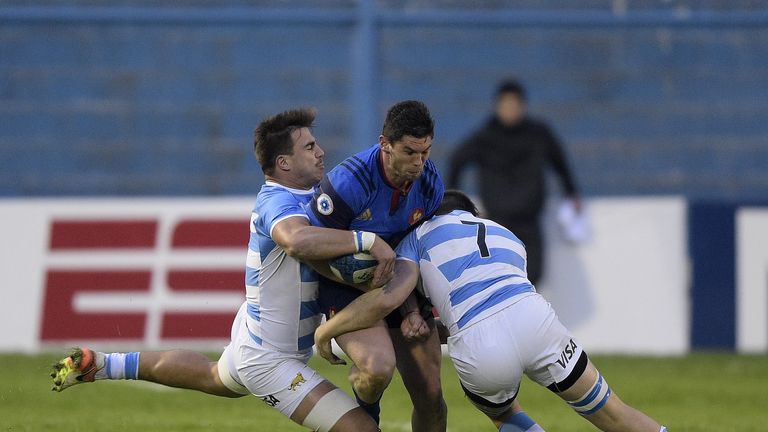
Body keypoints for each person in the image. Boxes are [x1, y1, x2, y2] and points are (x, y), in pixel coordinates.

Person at [50, 108, 401, 432]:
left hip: (255, 331)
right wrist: (365, 242)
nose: (321, 151)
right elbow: (294, 239)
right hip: (269, 358)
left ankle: (104, 364)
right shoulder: (277, 201)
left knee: (211, 376)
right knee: (360, 429)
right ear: (284, 163)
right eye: (309, 147)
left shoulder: (311, 196)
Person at [314, 190, 669, 432]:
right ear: (472, 214)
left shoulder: (417, 235)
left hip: (479, 343)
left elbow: (393, 298)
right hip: (535, 320)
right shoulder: (506, 234)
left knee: (504, 414)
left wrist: (332, 329)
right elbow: (496, 299)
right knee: (614, 413)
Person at [307, 100, 447, 431]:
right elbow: (309, 248)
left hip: (399, 282)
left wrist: (411, 307)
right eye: (410, 152)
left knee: (431, 396)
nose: (419, 163)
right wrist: (364, 283)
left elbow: (416, 251)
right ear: (385, 144)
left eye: (426, 152)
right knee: (377, 368)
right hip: (343, 284)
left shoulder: (430, 185)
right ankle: (367, 413)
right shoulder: (348, 183)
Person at [448, 79, 581, 285]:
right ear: (497, 106)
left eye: (514, 105)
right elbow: (457, 161)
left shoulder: (539, 134)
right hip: (498, 222)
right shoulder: (485, 138)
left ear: (523, 106)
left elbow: (559, 162)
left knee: (533, 275)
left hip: (530, 221)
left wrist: (572, 193)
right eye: (505, 105)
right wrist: (454, 204)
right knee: (499, 276)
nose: (509, 110)